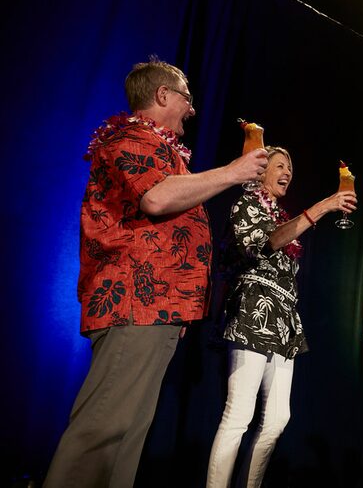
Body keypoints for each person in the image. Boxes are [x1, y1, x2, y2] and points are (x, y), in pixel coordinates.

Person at [44, 57, 269, 487]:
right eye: (188, 98)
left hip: (158, 306)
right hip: (133, 299)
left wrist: (178, 305)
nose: (193, 109)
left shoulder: (161, 149)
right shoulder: (131, 137)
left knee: (128, 432)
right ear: (163, 95)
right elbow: (155, 199)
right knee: (104, 426)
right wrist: (233, 172)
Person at [206, 147, 357, 487]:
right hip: (253, 313)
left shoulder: (279, 215)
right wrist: (323, 206)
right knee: (239, 415)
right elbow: (266, 244)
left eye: (290, 166)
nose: (287, 171)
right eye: (279, 165)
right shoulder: (247, 204)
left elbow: (282, 234)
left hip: (284, 321)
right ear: (260, 172)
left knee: (277, 419)